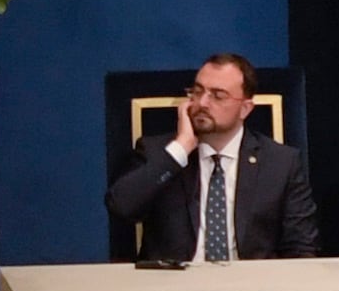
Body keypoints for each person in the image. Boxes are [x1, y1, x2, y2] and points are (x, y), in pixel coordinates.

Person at [106, 52, 316, 264]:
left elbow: (301, 249)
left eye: (218, 95)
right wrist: (180, 150)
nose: (203, 103)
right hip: (174, 288)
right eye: (197, 92)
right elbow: (121, 207)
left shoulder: (281, 163)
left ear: (245, 108)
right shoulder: (159, 154)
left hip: (251, 289)